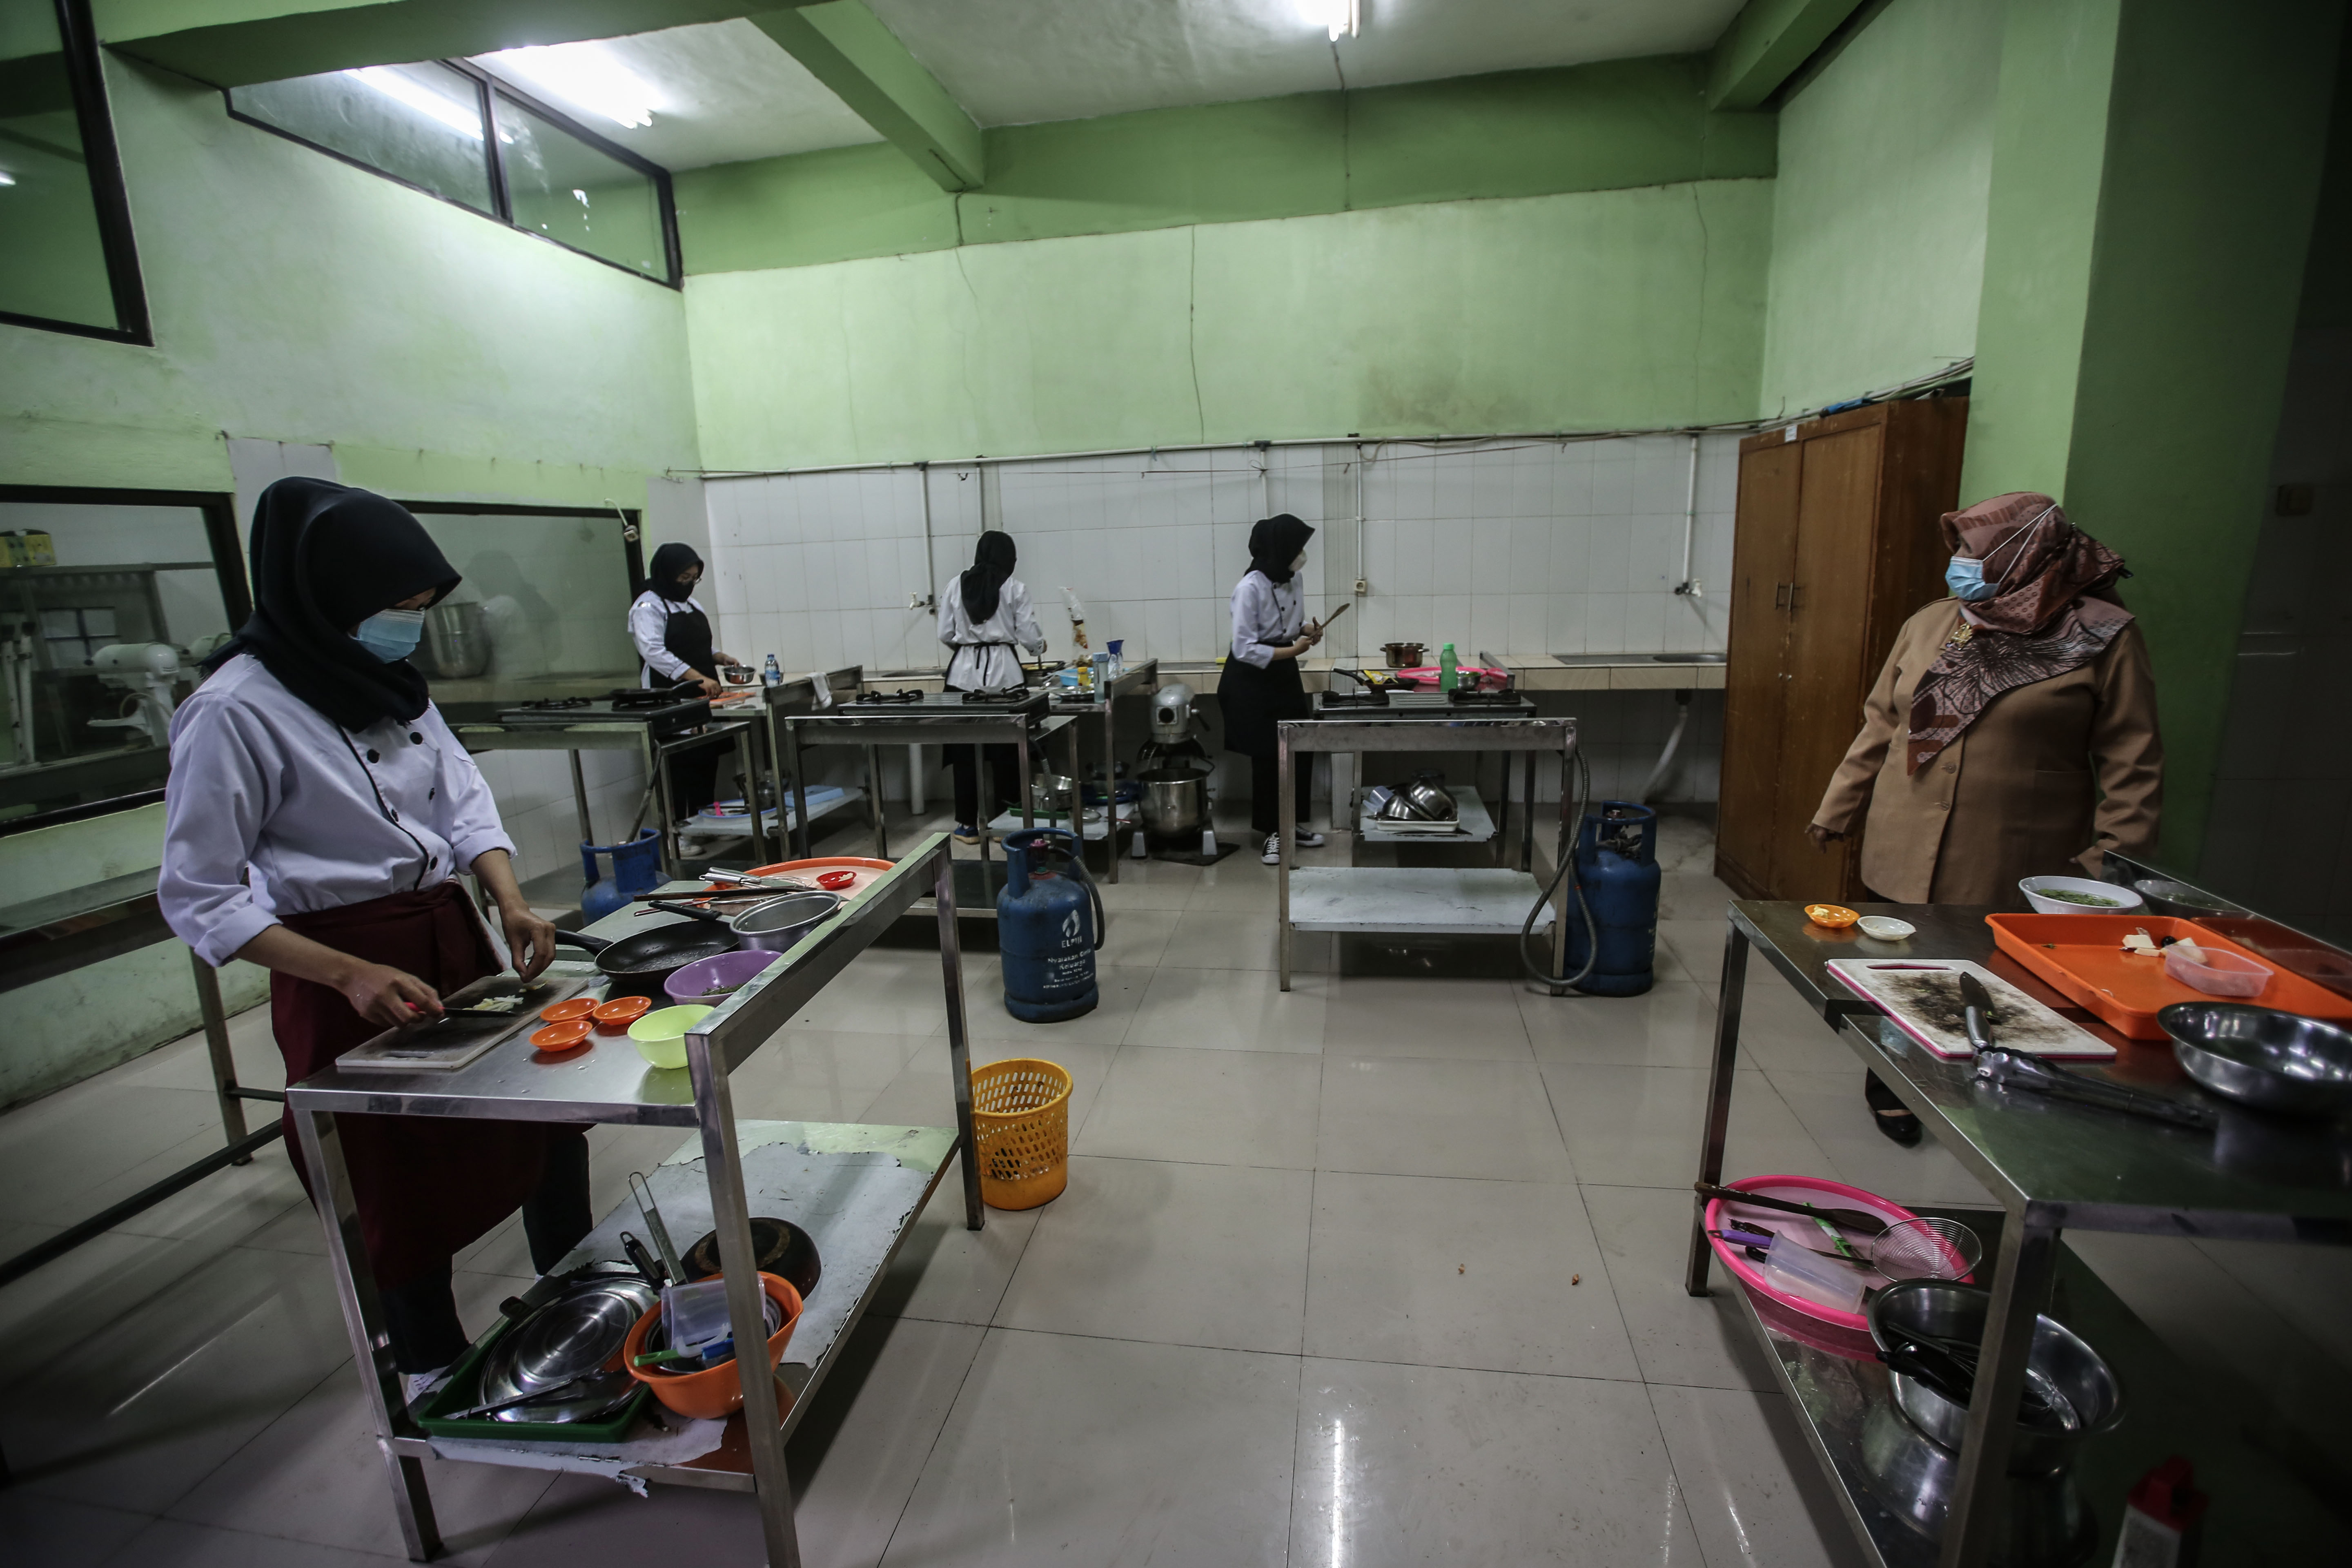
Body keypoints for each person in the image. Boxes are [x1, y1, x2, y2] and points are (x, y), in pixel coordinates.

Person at [159, 478, 584, 1405]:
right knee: (392, 1167)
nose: (412, 627)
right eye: (399, 608)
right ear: (330, 596)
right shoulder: (233, 710)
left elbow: (462, 794)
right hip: (340, 962)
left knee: (542, 1110)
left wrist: (507, 897)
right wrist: (346, 971)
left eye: (423, 608)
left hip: (448, 929)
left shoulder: (392, 684)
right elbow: (197, 893)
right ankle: (431, 1359)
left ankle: (581, 1282)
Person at [1809, 491, 2162, 1143]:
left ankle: (1990, 1089)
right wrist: (1840, 808)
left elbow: (2133, 761)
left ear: (2023, 555)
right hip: (1905, 837)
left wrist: (2112, 863)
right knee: (1899, 975)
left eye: (1970, 552)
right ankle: (1893, 1080)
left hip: (2014, 851)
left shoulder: (2101, 635)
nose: (1958, 564)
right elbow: (1883, 722)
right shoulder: (1936, 623)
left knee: (1992, 984)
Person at [1219, 513, 1331, 865]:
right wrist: (1295, 650)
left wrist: (1306, 631)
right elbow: (1245, 648)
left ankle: (1292, 823)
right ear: (1278, 549)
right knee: (1268, 756)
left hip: (1284, 672)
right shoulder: (1248, 588)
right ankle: (1272, 834)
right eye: (1296, 547)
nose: (1301, 554)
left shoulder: (1293, 578)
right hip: (1252, 677)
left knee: (1298, 745)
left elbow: (1287, 624)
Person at [937, 531, 1045, 843]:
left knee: (964, 750)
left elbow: (945, 633)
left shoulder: (955, 585)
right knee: (1009, 749)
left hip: (963, 677)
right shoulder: (1015, 588)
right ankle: (1006, 825)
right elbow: (1028, 635)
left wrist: (969, 647)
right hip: (1006, 677)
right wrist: (1039, 647)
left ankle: (968, 825)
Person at [627, 542, 741, 818]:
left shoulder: (690, 604)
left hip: (700, 697)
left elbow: (695, 644)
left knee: (705, 759)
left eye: (694, 578)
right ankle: (680, 833)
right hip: (670, 695)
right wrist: (696, 678)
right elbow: (654, 651)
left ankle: (707, 821)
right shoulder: (647, 607)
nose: (689, 584)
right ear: (666, 574)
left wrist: (718, 657)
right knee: (679, 765)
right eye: (683, 578)